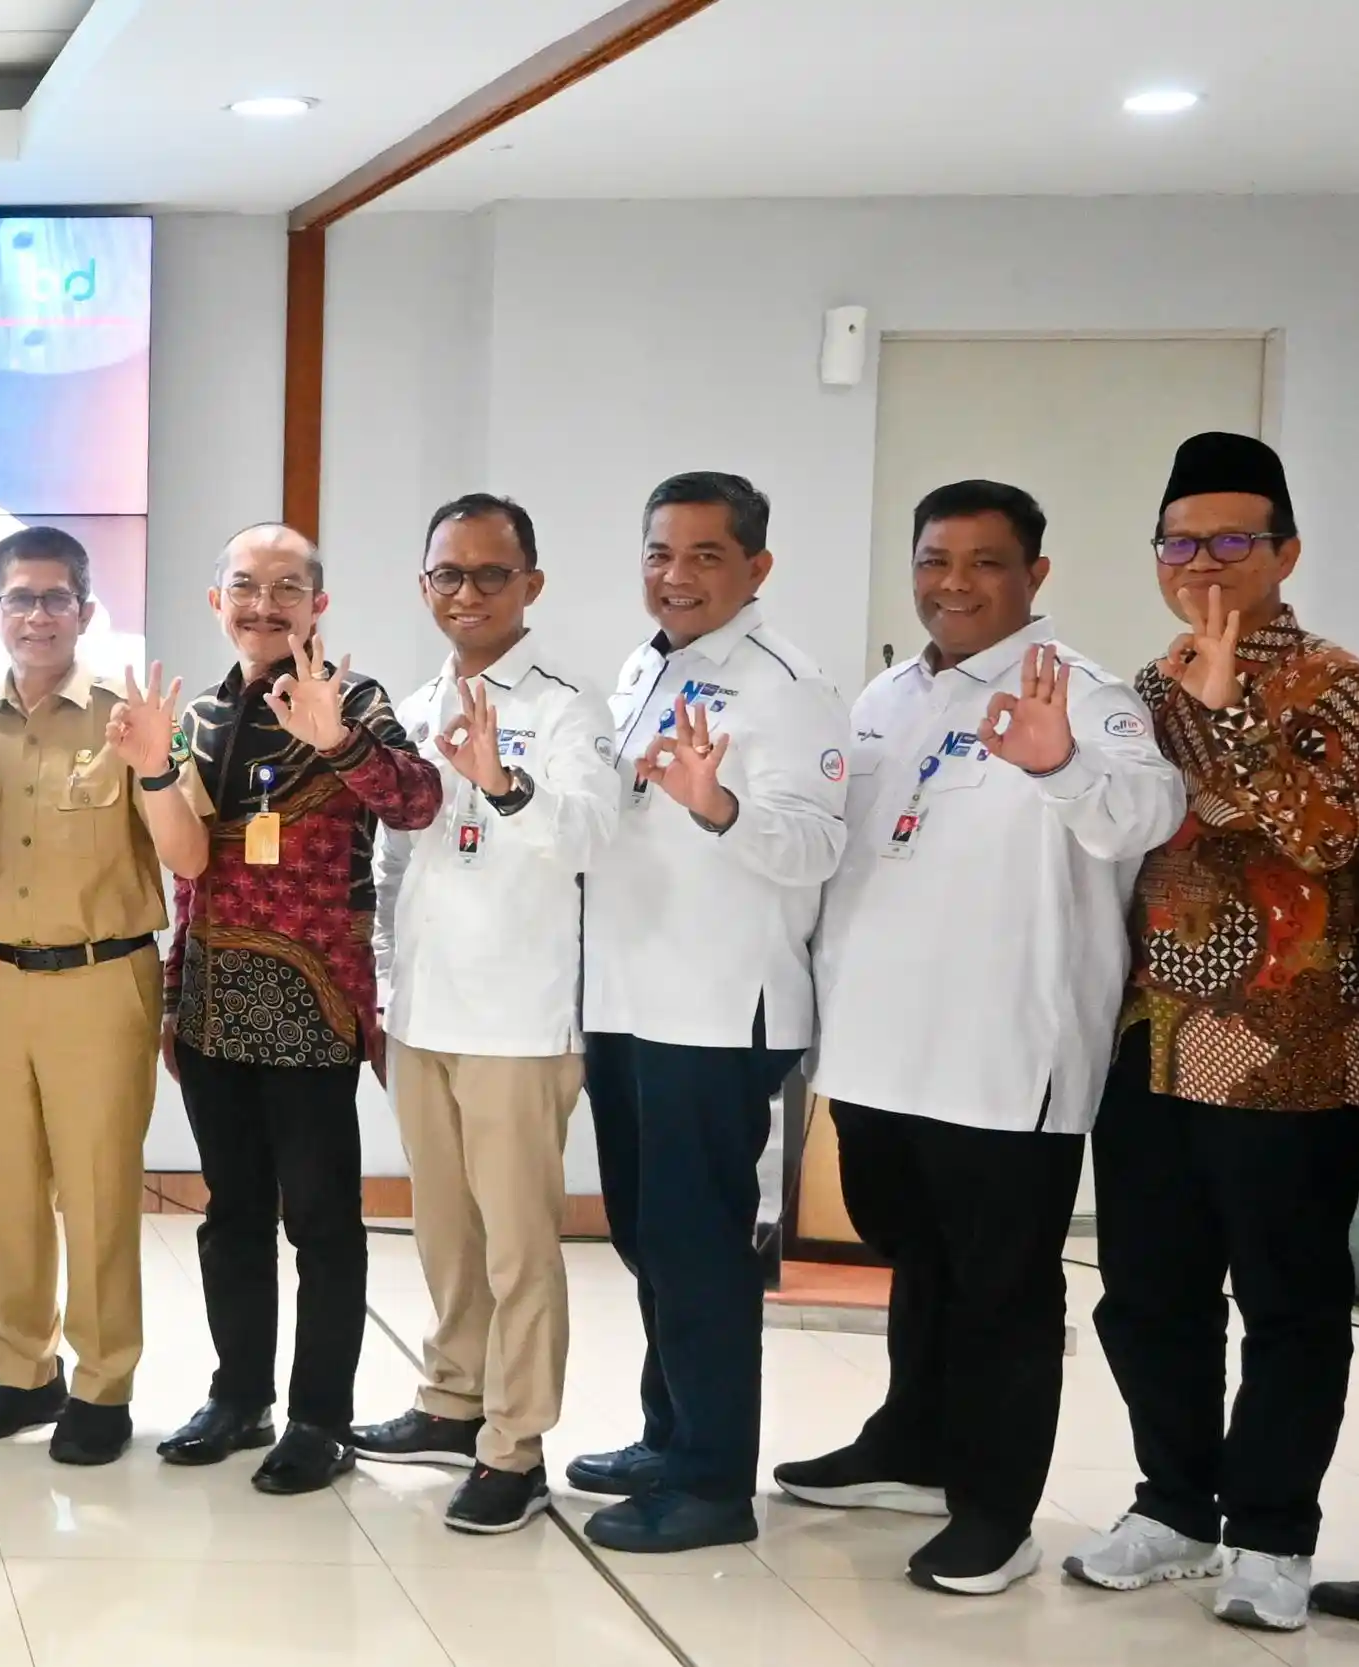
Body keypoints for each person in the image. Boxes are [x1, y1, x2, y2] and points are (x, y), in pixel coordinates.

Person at [783, 480, 1178, 1595]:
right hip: (877, 1043)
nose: (951, 582)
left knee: (1000, 1284)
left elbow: (1142, 814)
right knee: (914, 1253)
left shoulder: (1081, 694)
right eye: (932, 559)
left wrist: (1056, 761)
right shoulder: (882, 696)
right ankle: (910, 1445)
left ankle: (996, 1509)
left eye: (983, 562)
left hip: (1004, 1049)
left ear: (1033, 575)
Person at [1068, 433, 1359, 1633]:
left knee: (1287, 1302)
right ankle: (1174, 1504)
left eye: (1232, 540)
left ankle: (1272, 1534)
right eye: (1180, 541)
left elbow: (1328, 838)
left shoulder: (1335, 680)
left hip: (1288, 1051)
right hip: (1152, 1036)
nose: (1203, 561)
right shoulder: (1139, 687)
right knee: (1145, 1292)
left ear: (1282, 552)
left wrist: (1229, 713)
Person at [567, 471, 850, 1554]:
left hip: (718, 1008)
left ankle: (710, 1482)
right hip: (631, 998)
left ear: (755, 568)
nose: (673, 576)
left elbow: (815, 843)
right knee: (648, 1238)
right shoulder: (649, 663)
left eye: (702, 556)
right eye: (656, 553)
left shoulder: (786, 686)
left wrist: (719, 805)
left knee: (698, 1250)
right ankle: (667, 1432)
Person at [347, 495, 619, 1534]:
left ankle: (515, 1443)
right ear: (423, 587)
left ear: (529, 586)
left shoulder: (563, 706)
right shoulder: (412, 704)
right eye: (446, 576)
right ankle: (450, 1400)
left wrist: (502, 783)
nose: (466, 594)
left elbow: (590, 836)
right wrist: (381, 988)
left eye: (489, 575)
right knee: (443, 1233)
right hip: (423, 1012)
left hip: (516, 1017)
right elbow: (390, 859)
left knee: (517, 1247)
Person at [0, 526, 197, 1468]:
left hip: (102, 976)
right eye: (18, 598)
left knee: (101, 1188)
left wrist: (151, 763)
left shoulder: (129, 717)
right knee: (9, 1189)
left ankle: (103, 1381)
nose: (36, 614)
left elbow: (188, 857)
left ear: (85, 609)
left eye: (54, 597)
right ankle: (23, 1370)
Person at [158, 525, 439, 1495]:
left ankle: (320, 1414)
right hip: (211, 1007)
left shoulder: (353, 701)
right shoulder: (194, 715)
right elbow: (187, 877)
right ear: (216, 602)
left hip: (313, 1001)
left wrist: (339, 740)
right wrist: (170, 994)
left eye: (286, 587)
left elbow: (413, 802)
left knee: (321, 1222)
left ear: (317, 604)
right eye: (243, 585)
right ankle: (239, 1396)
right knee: (229, 1214)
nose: (262, 604)